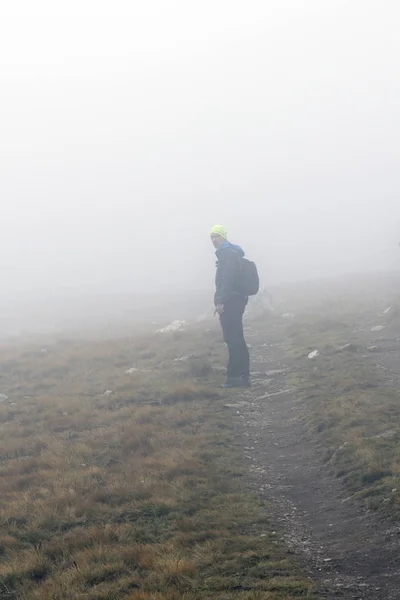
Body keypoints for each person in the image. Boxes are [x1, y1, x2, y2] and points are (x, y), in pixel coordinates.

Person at [210, 224, 250, 388]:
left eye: (217, 236)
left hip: (231, 301)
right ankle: (243, 375)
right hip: (237, 299)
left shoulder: (227, 255)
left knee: (232, 338)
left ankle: (235, 377)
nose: (214, 240)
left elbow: (227, 280)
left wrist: (220, 301)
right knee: (237, 337)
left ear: (224, 237)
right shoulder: (232, 253)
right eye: (212, 237)